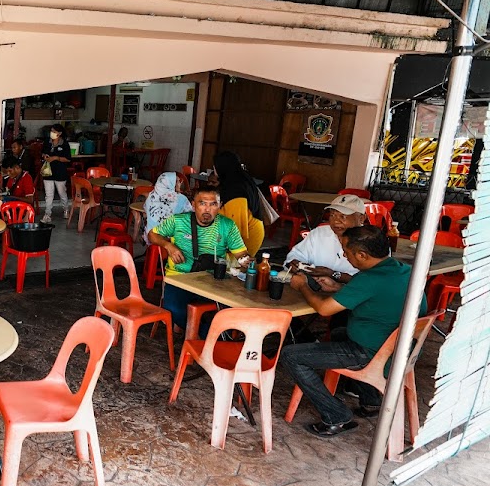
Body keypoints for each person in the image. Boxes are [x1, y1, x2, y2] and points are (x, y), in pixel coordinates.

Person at [280, 225, 428, 437]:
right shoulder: (401, 270)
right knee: (341, 332)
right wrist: (339, 289)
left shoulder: (370, 278)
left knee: (291, 356)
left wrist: (302, 285)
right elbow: (377, 296)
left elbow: (323, 309)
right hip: (402, 351)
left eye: (346, 251)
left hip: (374, 354)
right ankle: (371, 401)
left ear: (362, 254)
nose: (344, 256)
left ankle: (335, 415)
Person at [148, 185, 252, 336]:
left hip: (213, 280)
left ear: (220, 206)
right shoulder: (178, 221)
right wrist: (168, 245)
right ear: (193, 204)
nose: (207, 209)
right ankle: (210, 335)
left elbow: (242, 254)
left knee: (237, 310)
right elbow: (152, 235)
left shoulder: (227, 226)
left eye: (213, 204)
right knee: (174, 309)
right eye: (202, 203)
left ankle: (211, 334)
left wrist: (246, 262)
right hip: (180, 277)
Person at [285, 194, 366, 286]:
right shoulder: (319, 233)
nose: (335, 221)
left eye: (343, 216)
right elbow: (295, 255)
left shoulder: (371, 241)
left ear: (361, 218)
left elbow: (372, 282)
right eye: (332, 215)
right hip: (313, 290)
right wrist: (295, 264)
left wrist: (333, 275)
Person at [213, 151, 266, 256]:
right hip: (244, 232)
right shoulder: (239, 180)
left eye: (215, 166)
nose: (214, 169)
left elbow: (235, 228)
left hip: (244, 240)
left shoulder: (235, 190)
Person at [39, 123, 71, 224]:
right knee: (49, 194)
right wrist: (45, 156)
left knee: (62, 192)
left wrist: (56, 158)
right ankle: (47, 214)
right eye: (51, 131)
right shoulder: (47, 143)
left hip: (60, 172)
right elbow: (43, 153)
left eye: (54, 131)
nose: (52, 133)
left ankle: (66, 209)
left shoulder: (64, 144)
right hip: (48, 171)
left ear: (60, 133)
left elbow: (68, 159)